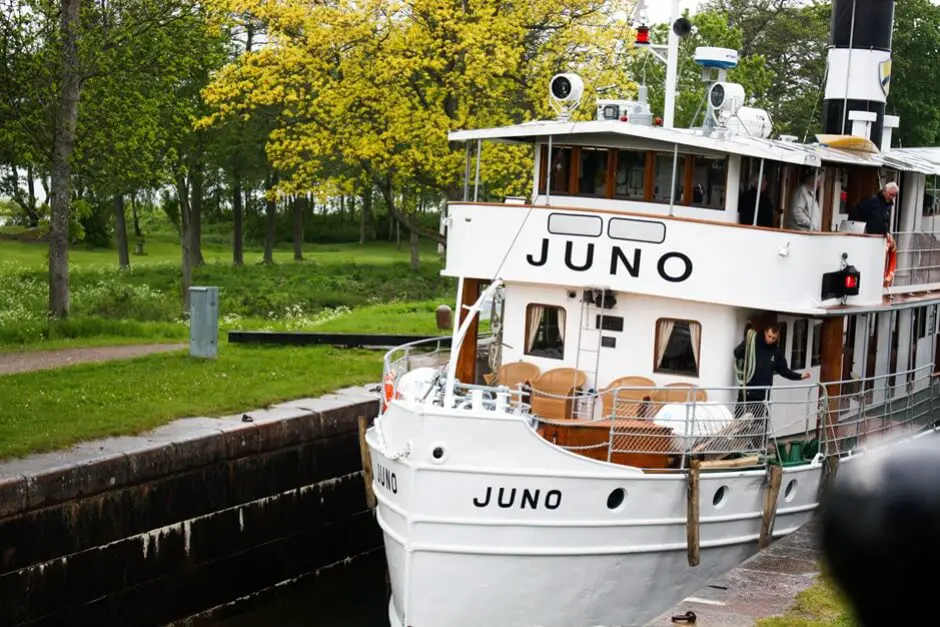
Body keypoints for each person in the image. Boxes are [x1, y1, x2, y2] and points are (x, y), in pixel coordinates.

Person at [733, 322, 810, 419]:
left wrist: (800, 376)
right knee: (738, 422)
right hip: (746, 390)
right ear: (765, 332)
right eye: (769, 336)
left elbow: (784, 370)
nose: (770, 340)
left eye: (773, 338)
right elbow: (737, 353)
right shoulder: (753, 343)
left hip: (762, 395)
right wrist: (746, 343)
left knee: (759, 424)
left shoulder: (776, 352)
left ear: (777, 337)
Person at [852, 182, 898, 249]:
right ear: (884, 191)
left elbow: (884, 222)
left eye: (894, 196)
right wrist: (859, 230)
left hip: (879, 240)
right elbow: (856, 212)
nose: (892, 197)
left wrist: (887, 232)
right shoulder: (872, 201)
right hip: (868, 239)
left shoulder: (887, 206)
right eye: (890, 194)